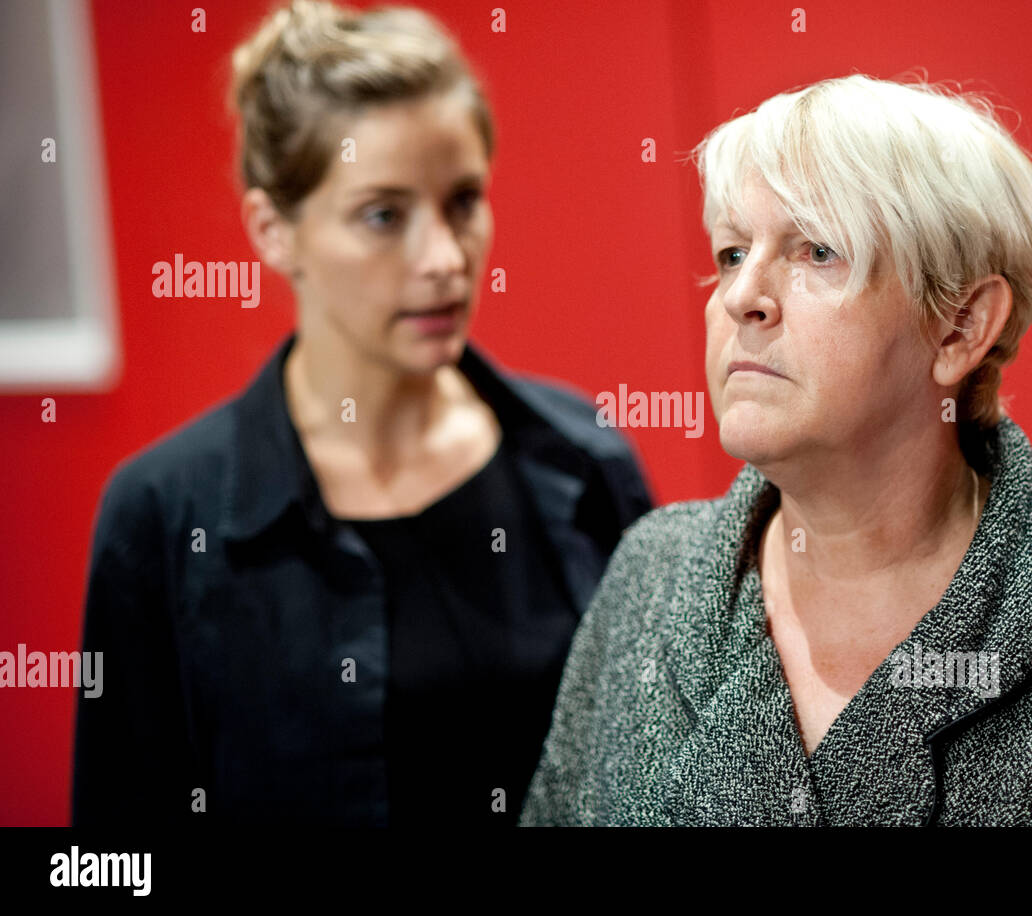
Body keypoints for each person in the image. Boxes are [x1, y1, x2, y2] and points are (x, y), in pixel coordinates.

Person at [521, 74, 1032, 826]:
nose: (738, 297)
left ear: (959, 326)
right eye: (731, 252)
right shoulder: (649, 575)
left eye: (816, 251)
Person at [72, 0, 652, 827]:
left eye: (462, 201)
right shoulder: (165, 515)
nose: (445, 259)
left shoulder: (584, 464)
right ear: (274, 230)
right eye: (383, 215)